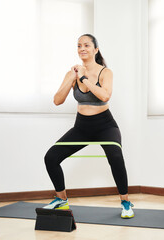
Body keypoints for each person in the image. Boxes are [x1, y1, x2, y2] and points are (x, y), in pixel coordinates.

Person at [43, 34, 134, 219]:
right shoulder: (72, 73)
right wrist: (72, 79)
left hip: (105, 125)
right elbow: (57, 100)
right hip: (82, 127)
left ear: (95, 49)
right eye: (78, 45)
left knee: (115, 156)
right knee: (51, 157)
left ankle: (125, 201)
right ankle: (61, 200)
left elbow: (105, 96)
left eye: (86, 45)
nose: (82, 48)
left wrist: (84, 78)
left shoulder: (105, 72)